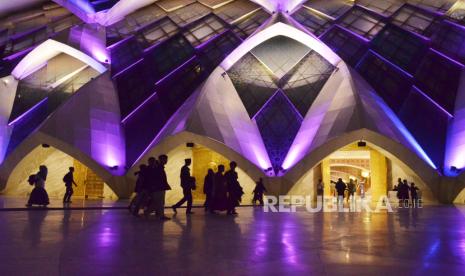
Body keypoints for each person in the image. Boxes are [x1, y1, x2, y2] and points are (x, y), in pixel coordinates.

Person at [145, 155, 171, 220]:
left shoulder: (159, 167)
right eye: (164, 159)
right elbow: (155, 178)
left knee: (159, 202)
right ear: (160, 160)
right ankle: (150, 212)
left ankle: (158, 214)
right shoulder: (157, 167)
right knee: (158, 202)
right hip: (158, 187)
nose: (166, 161)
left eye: (166, 159)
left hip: (159, 187)